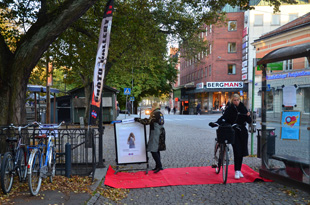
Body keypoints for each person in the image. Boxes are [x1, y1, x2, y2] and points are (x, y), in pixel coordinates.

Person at [209, 94, 251, 179]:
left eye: (238, 100)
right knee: (237, 150)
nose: (236, 102)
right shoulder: (230, 109)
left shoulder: (243, 108)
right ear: (232, 101)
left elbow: (249, 121)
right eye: (234, 100)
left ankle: (239, 170)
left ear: (240, 100)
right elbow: (224, 118)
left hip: (242, 131)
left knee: (242, 151)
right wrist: (216, 123)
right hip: (233, 131)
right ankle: (236, 170)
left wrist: (248, 116)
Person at [135, 102, 165, 173]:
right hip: (160, 132)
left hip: (156, 133)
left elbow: (148, 122)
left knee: (153, 149)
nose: (151, 108)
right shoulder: (160, 113)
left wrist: (138, 120)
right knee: (156, 149)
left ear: (154, 107)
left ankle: (159, 166)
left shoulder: (154, 113)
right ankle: (157, 165)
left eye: (152, 107)